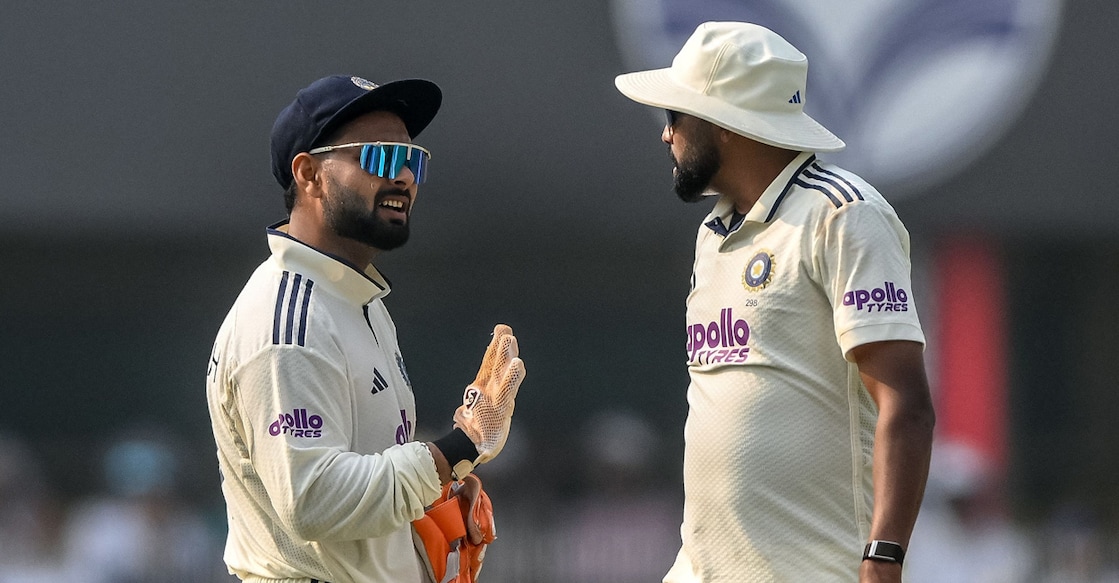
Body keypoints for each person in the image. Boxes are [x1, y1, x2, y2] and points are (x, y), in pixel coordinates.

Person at [614, 22, 936, 582]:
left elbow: (906, 403)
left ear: (727, 124)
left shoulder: (844, 215)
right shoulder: (711, 234)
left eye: (676, 117)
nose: (666, 135)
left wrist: (884, 556)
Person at [206, 74, 525, 583]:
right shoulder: (288, 317)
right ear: (308, 174)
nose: (403, 177)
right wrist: (459, 447)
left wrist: (437, 494)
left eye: (413, 160)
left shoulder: (356, 299)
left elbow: (356, 483)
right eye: (377, 157)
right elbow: (314, 500)